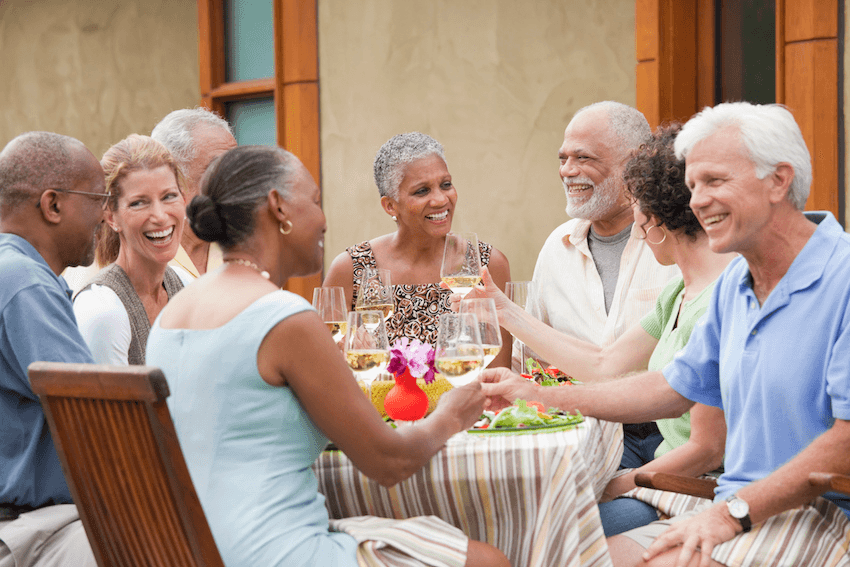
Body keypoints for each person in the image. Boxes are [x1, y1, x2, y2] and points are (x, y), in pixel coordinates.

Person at [480, 102, 850, 567]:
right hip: (731, 509)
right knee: (556, 556)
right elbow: (670, 388)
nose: (696, 201)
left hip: (819, 515)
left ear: (778, 180)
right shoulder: (735, 286)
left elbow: (845, 444)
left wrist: (731, 513)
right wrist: (536, 395)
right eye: (693, 185)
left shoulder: (842, 279)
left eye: (714, 181)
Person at [145, 145, 509, 567]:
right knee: (488, 560)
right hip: (273, 551)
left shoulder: (174, 312)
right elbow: (388, 462)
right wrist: (450, 415)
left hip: (188, 549)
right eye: (315, 202)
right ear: (279, 208)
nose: (323, 220)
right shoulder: (283, 318)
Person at [462, 124, 731, 536]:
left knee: (546, 530)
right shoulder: (679, 290)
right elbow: (606, 364)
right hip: (664, 477)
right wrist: (504, 311)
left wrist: (619, 484)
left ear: (654, 220)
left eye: (638, 214)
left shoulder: (717, 302)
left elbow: (708, 448)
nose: (636, 228)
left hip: (697, 491)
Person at [531, 101, 680, 469]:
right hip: (588, 432)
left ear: (635, 163)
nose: (568, 170)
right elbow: (538, 360)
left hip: (674, 434)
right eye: (563, 158)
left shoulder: (679, 244)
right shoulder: (555, 247)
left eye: (584, 158)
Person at [0, 131, 108, 566]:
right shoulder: (24, 283)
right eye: (99, 198)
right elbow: (94, 414)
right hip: (35, 528)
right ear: (53, 205)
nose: (106, 214)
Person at [323, 132, 512, 364]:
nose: (441, 199)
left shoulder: (486, 265)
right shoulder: (352, 269)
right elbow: (324, 368)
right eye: (422, 191)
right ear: (390, 205)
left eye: (446, 185)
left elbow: (499, 376)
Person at [73, 135, 186, 365]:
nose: (160, 216)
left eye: (169, 196)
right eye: (138, 203)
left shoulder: (185, 286)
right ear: (110, 216)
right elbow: (107, 402)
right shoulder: (103, 311)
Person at [151, 107, 237, 279]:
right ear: (173, 176)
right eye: (219, 169)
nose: (235, 180)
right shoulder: (133, 253)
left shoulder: (245, 247)